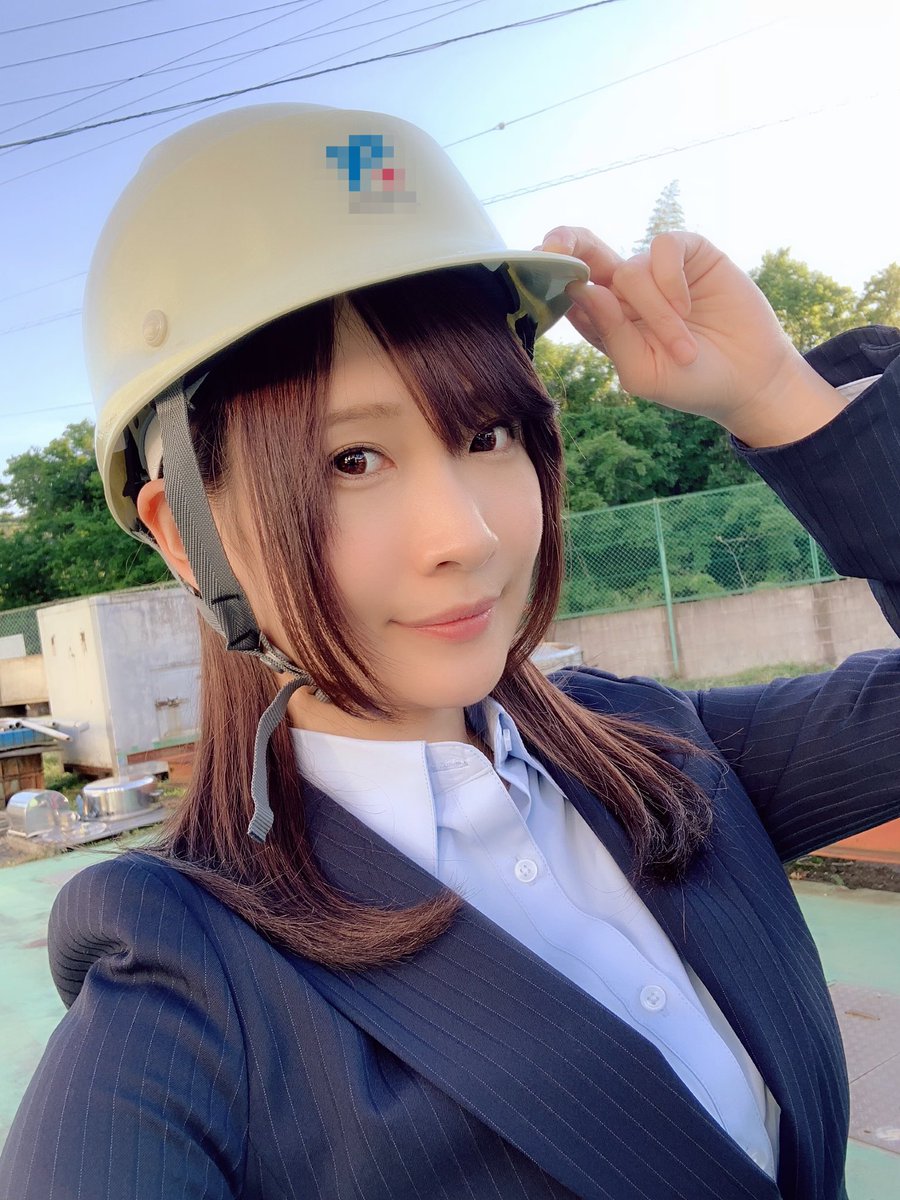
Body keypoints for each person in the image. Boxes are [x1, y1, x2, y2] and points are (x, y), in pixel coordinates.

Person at [0, 102, 897, 1200]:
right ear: (188, 535)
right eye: (352, 460)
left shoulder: (664, 748)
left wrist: (783, 400)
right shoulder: (185, 980)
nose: (466, 537)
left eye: (486, 434)